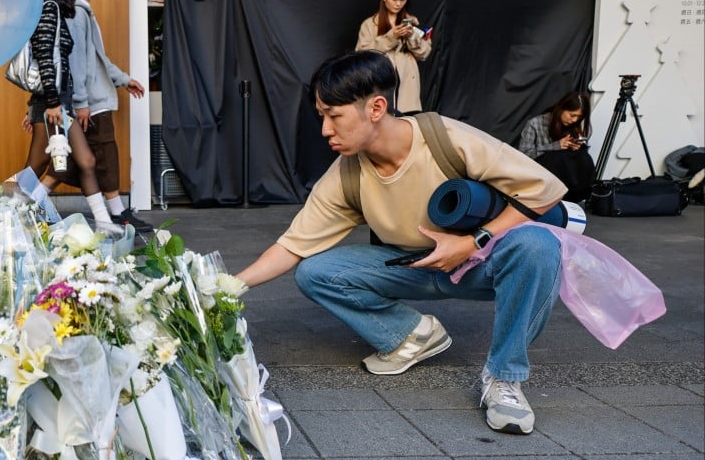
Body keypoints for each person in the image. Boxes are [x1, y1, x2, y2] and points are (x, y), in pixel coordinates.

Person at [237, 51, 566, 435]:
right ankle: (411, 336)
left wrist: (473, 242)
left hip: (482, 264)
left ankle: (503, 377)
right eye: (321, 116)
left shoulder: (444, 138)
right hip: (416, 267)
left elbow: (544, 190)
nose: (325, 129)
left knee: (538, 245)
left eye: (334, 115)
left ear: (376, 108)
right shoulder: (346, 174)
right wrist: (226, 286)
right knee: (315, 271)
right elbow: (292, 247)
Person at [36, 0, 151, 232]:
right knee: (83, 160)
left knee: (76, 162)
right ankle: (11, 206)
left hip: (70, 102)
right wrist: (79, 102)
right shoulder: (71, 12)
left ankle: (106, 220)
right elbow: (68, 62)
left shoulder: (78, 11)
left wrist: (123, 79)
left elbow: (95, 58)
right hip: (76, 103)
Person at [19, 0, 113, 227]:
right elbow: (45, 59)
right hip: (52, 105)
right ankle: (3, 213)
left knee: (86, 161)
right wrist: (50, 103)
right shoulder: (48, 9)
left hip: (60, 103)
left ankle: (105, 224)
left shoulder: (56, 11)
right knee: (34, 168)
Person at [355, 0, 432, 114]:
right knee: (382, 120)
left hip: (408, 88)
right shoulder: (369, 25)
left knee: (407, 121)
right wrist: (392, 37)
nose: (398, 3)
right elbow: (361, 56)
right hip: (380, 83)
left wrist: (411, 36)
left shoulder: (413, 23)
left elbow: (424, 54)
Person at [517, 92, 595, 203]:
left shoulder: (573, 126)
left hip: (564, 178)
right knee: (556, 158)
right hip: (540, 174)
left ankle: (579, 197)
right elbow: (523, 155)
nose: (574, 120)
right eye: (572, 115)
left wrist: (576, 147)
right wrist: (556, 146)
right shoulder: (535, 124)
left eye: (579, 117)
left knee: (584, 157)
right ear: (561, 108)